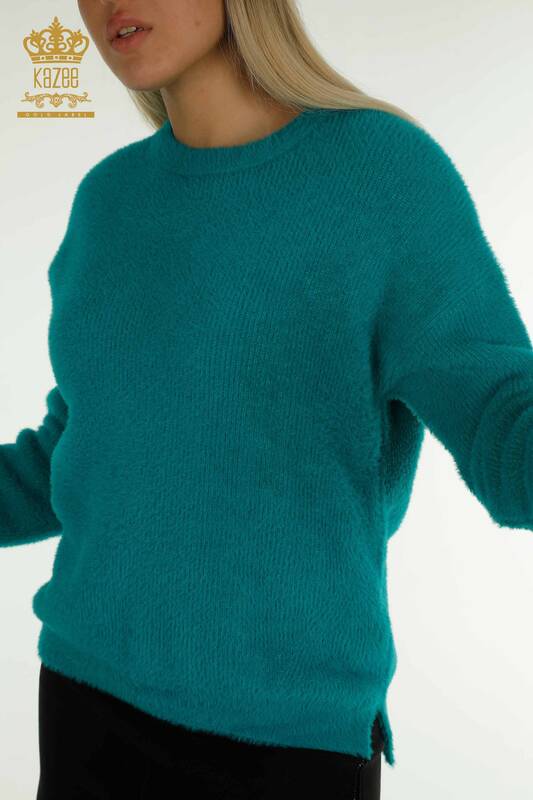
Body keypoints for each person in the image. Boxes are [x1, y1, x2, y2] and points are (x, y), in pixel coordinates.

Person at [2, 1, 531, 798]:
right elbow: (83, 450)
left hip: (289, 746)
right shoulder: (108, 201)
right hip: (85, 703)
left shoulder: (380, 175)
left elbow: (501, 418)